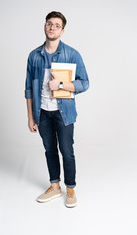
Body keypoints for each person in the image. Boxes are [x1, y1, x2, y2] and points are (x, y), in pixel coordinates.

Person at [25, 11, 89, 208]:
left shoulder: (72, 54)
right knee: (49, 150)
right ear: (45, 26)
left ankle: (70, 189)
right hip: (42, 112)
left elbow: (84, 83)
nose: (52, 28)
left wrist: (60, 84)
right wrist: (30, 117)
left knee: (67, 151)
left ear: (62, 30)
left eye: (56, 25)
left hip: (63, 113)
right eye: (49, 24)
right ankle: (54, 186)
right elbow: (28, 88)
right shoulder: (34, 56)